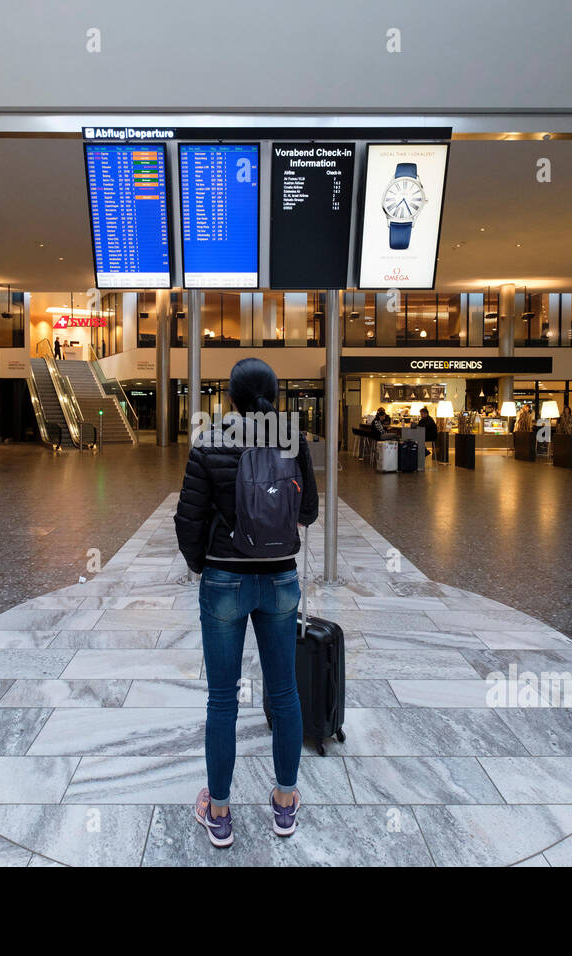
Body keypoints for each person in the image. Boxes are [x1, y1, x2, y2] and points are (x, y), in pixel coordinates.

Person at [174, 357, 319, 849]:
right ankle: (284, 805)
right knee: (283, 694)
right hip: (279, 579)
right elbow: (309, 511)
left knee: (222, 698)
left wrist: (205, 564)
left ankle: (218, 812)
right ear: (274, 395)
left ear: (229, 396)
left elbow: (187, 519)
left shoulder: (210, 439)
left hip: (225, 581)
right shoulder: (291, 437)